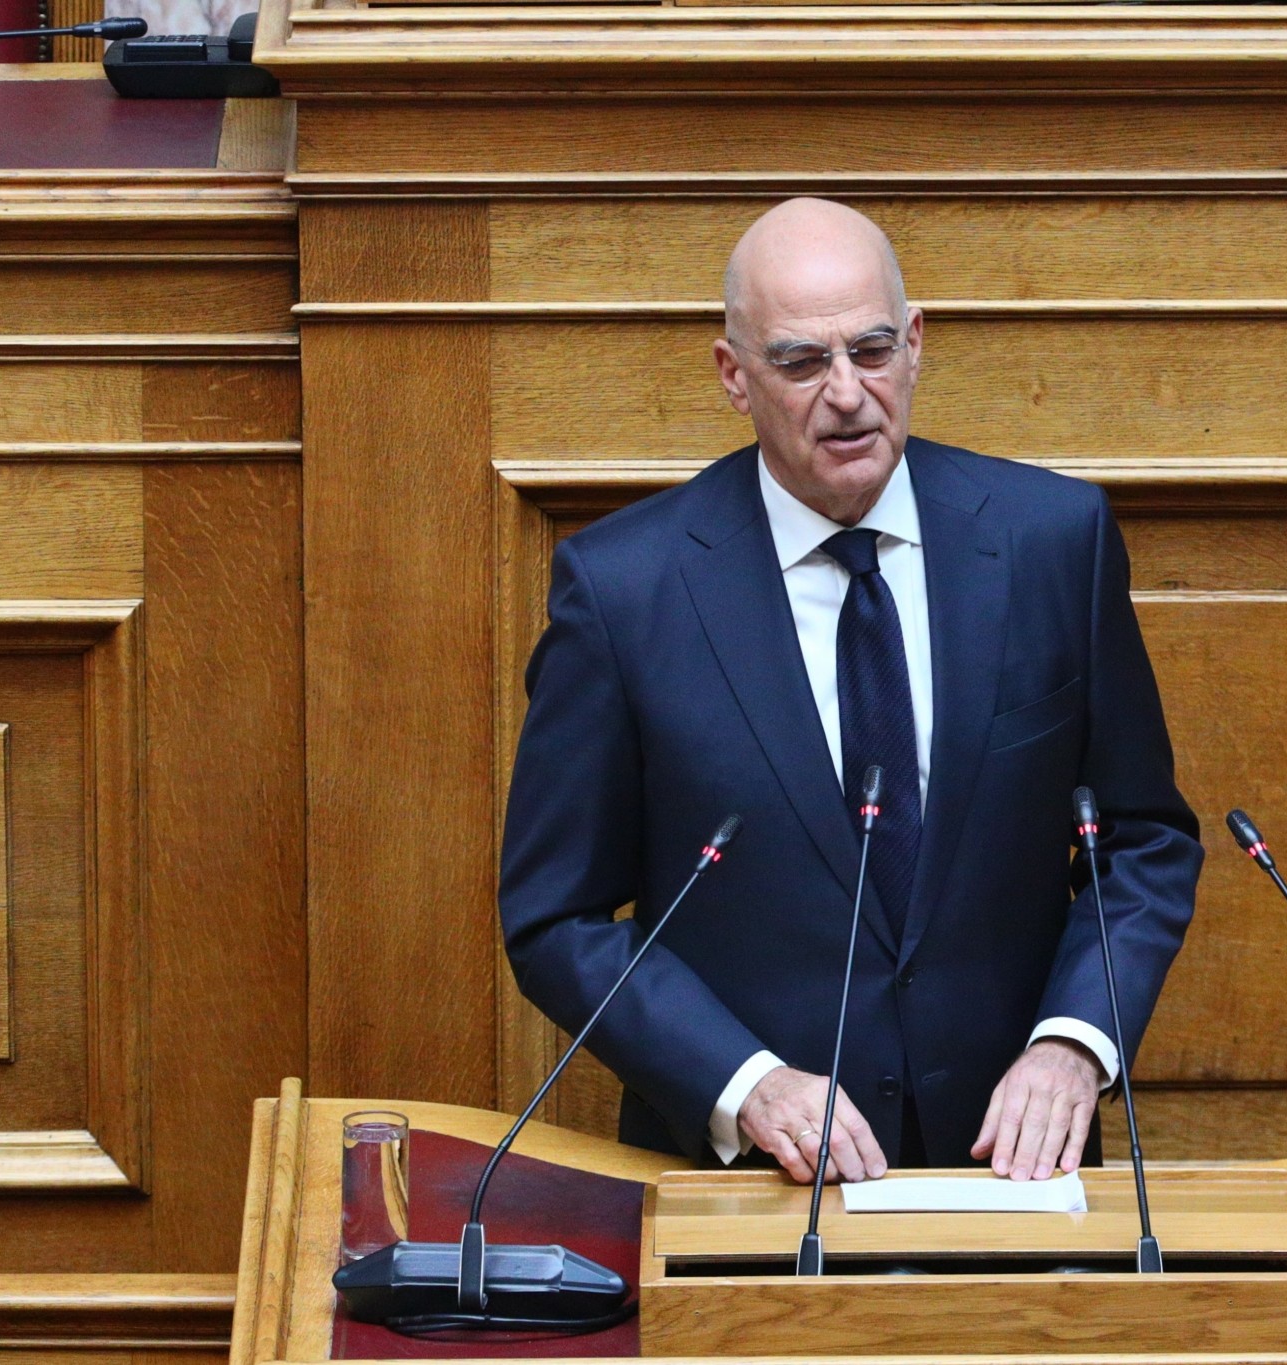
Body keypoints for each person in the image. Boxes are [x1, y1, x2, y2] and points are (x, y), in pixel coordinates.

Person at [500, 198, 1201, 1184]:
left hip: (1012, 1172)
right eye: (800, 362)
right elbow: (554, 919)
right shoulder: (625, 590)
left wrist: (1075, 1041)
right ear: (733, 375)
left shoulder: (1052, 541)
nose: (845, 394)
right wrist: (743, 1085)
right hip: (753, 1187)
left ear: (914, 344)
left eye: (870, 351)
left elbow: (1144, 841)